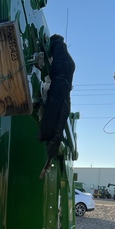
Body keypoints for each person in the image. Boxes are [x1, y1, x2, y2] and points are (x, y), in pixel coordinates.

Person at [38, 34, 75, 176]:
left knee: (55, 120)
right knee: (58, 123)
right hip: (62, 89)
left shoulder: (59, 52)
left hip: (58, 88)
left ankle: (48, 158)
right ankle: (48, 160)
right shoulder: (65, 56)